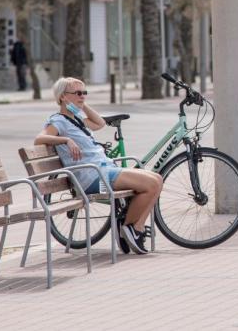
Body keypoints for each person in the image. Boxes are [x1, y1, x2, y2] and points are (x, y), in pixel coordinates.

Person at [34, 77, 163, 255]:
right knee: (151, 184)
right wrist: (66, 139)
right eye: (77, 93)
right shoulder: (58, 121)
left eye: (84, 93)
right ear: (63, 96)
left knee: (157, 179)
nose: (82, 96)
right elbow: (39, 139)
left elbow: (100, 123)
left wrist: (82, 106)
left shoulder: (77, 119)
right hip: (93, 179)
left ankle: (133, 227)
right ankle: (131, 228)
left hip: (103, 172)